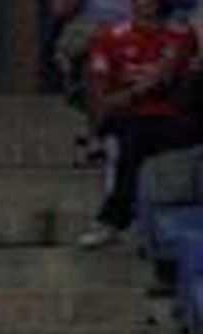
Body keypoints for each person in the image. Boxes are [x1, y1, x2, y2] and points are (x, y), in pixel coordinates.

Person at [76, 0, 200, 249]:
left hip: (173, 116)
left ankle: (119, 221)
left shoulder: (182, 37)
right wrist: (140, 90)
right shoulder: (110, 38)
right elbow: (103, 99)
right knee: (134, 139)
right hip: (129, 116)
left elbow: (192, 85)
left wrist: (180, 78)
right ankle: (114, 223)